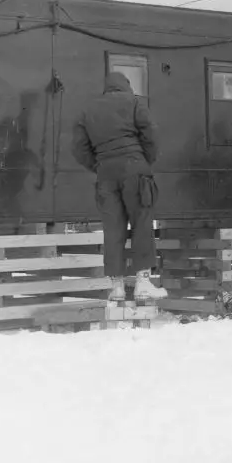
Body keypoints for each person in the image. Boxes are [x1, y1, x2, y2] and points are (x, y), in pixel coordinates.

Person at [71, 72, 168, 301]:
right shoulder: (134, 102)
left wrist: (99, 165)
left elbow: (78, 149)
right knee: (142, 222)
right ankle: (143, 282)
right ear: (126, 87)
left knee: (113, 229)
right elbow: (151, 134)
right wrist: (144, 161)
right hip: (135, 168)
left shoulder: (87, 111)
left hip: (106, 173)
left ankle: (116, 287)